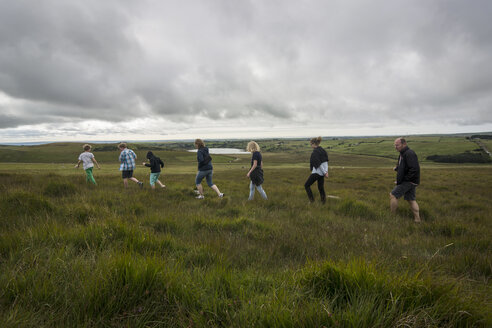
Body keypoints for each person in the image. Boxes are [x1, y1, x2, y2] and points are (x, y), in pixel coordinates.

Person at [390, 138, 421, 222]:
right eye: (395, 145)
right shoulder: (403, 154)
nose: (395, 147)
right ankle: (417, 220)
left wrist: (404, 180)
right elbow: (405, 166)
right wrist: (397, 168)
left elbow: (414, 169)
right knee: (411, 200)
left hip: (408, 181)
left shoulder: (409, 153)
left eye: (397, 145)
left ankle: (392, 216)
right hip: (412, 181)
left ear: (404, 144)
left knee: (393, 195)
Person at [305, 136, 329, 204]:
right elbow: (326, 162)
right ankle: (323, 203)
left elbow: (318, 164)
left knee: (306, 185)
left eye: (311, 144)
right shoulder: (323, 150)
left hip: (317, 172)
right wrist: (326, 171)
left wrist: (325, 172)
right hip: (322, 173)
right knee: (320, 188)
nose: (310, 146)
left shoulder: (315, 152)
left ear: (314, 143)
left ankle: (311, 200)